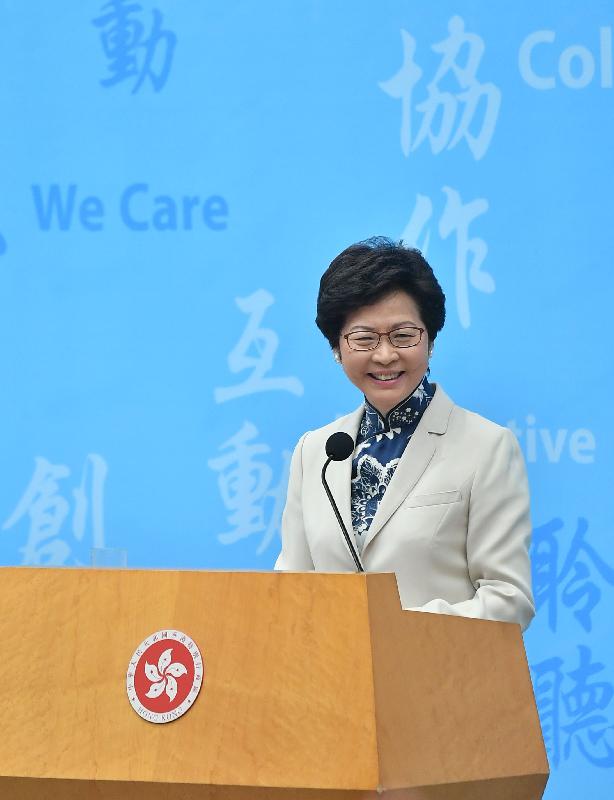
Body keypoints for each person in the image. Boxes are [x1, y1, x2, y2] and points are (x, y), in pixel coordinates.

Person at [275, 237, 534, 631]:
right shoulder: (316, 453)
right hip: (334, 686)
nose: (384, 355)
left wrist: (398, 629)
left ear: (430, 341)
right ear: (336, 348)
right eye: (364, 338)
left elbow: (507, 599)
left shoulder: (486, 447)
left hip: (440, 683)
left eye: (403, 335)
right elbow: (289, 591)